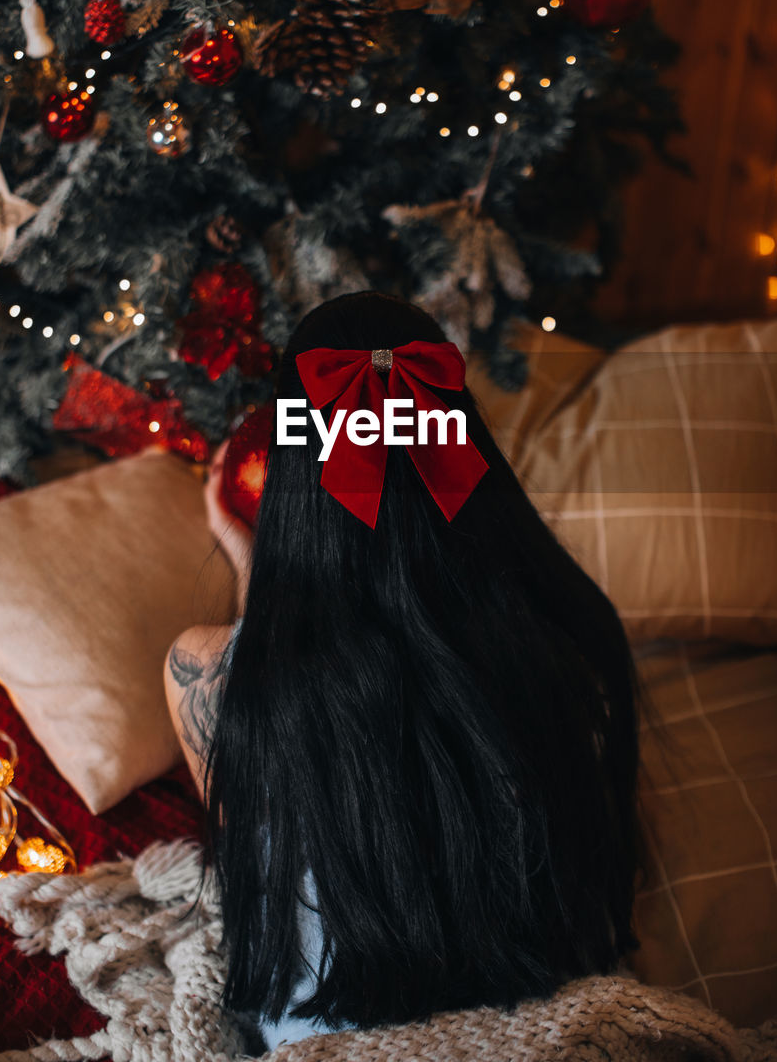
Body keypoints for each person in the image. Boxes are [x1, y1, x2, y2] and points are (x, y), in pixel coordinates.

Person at [164, 290, 641, 1054]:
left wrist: (257, 564)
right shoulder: (568, 636)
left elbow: (264, 804)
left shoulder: (201, 667)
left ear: (294, 464)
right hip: (534, 1029)